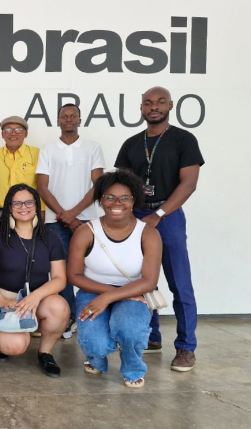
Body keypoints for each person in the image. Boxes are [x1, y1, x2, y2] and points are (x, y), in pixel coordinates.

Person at [115, 86, 204, 372]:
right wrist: (127, 214)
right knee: (142, 280)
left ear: (170, 106)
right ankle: (151, 337)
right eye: (148, 103)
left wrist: (159, 214)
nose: (154, 107)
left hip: (169, 215)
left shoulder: (183, 139)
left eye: (160, 102)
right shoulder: (131, 143)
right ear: (141, 108)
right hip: (136, 215)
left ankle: (186, 348)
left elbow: (188, 184)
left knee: (180, 284)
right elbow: (122, 183)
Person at [67, 171, 162, 388]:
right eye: (110, 197)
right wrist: (106, 295)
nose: (116, 203)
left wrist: (110, 297)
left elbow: (149, 281)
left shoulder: (148, 234)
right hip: (92, 289)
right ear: (101, 200)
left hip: (133, 292)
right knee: (95, 343)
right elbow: (73, 275)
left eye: (124, 198)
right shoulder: (86, 231)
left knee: (130, 329)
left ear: (134, 200)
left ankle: (133, 367)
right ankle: (96, 360)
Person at [0, 184, 69, 377]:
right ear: (9, 207)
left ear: (36, 205)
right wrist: (0, 299)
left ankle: (45, 352)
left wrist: (36, 297)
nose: (24, 207)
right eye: (17, 203)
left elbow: (59, 279)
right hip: (5, 296)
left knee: (60, 307)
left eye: (29, 202)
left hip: (37, 297)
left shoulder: (50, 237)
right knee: (14, 347)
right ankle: (1, 338)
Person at [36, 104, 106, 338]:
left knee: (92, 271)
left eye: (73, 116)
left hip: (86, 220)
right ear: (58, 120)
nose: (68, 119)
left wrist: (74, 213)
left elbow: (99, 185)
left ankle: (94, 317)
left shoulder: (92, 148)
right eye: (64, 116)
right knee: (61, 273)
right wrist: (64, 215)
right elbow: (42, 187)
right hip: (55, 222)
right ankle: (70, 318)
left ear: (79, 120)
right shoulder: (48, 149)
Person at [0, 116, 43, 227]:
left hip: (28, 212)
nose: (13, 133)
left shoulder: (37, 154)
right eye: (8, 130)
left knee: (29, 244)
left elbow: (42, 186)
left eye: (18, 130)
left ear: (26, 134)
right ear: (2, 134)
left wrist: (42, 212)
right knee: (0, 244)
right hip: (0, 213)